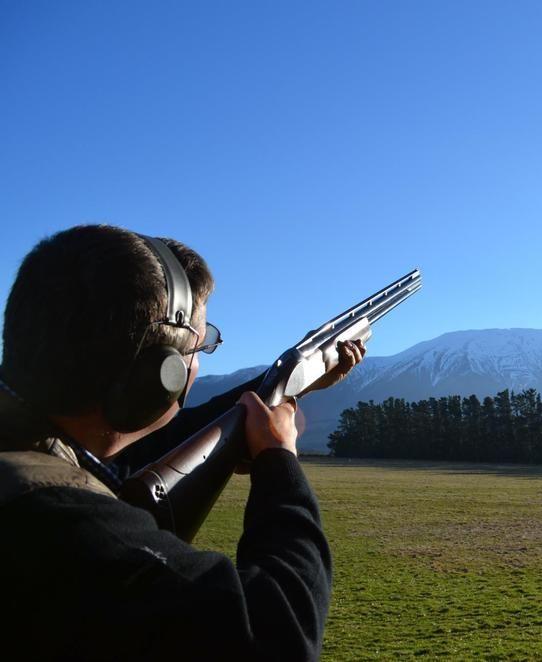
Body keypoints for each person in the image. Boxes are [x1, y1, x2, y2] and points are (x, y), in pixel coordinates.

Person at [0, 225, 365, 661]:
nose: (197, 367)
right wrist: (278, 460)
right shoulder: (64, 526)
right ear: (157, 376)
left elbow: (158, 436)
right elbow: (280, 632)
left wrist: (292, 384)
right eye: (201, 345)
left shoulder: (31, 449)